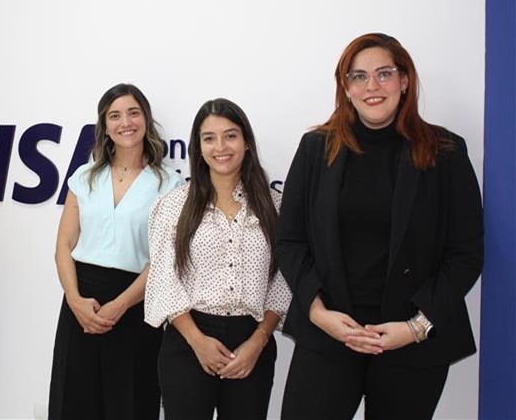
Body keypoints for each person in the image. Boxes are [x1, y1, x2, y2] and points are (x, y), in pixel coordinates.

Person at [274, 33, 484, 419]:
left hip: (413, 343)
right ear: (346, 88)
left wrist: (416, 327)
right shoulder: (315, 148)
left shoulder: (446, 152)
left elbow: (466, 254)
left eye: (384, 73)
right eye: (359, 76)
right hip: (330, 333)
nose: (372, 86)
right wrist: (318, 313)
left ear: (404, 81)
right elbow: (289, 240)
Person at [144, 98, 291, 420]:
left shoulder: (276, 207)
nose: (221, 147)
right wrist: (197, 341)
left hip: (252, 342)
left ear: (247, 142)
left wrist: (258, 342)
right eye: (209, 138)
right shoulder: (173, 206)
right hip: (188, 340)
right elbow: (164, 279)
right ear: (198, 148)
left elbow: (283, 282)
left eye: (230, 135)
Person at [48, 83, 184, 420]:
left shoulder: (169, 184)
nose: (126, 122)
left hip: (137, 308)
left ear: (146, 120)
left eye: (133, 113)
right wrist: (74, 300)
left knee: (130, 403)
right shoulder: (84, 177)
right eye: (115, 116)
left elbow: (164, 260)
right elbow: (64, 245)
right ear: (105, 125)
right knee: (74, 403)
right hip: (81, 304)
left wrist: (121, 304)